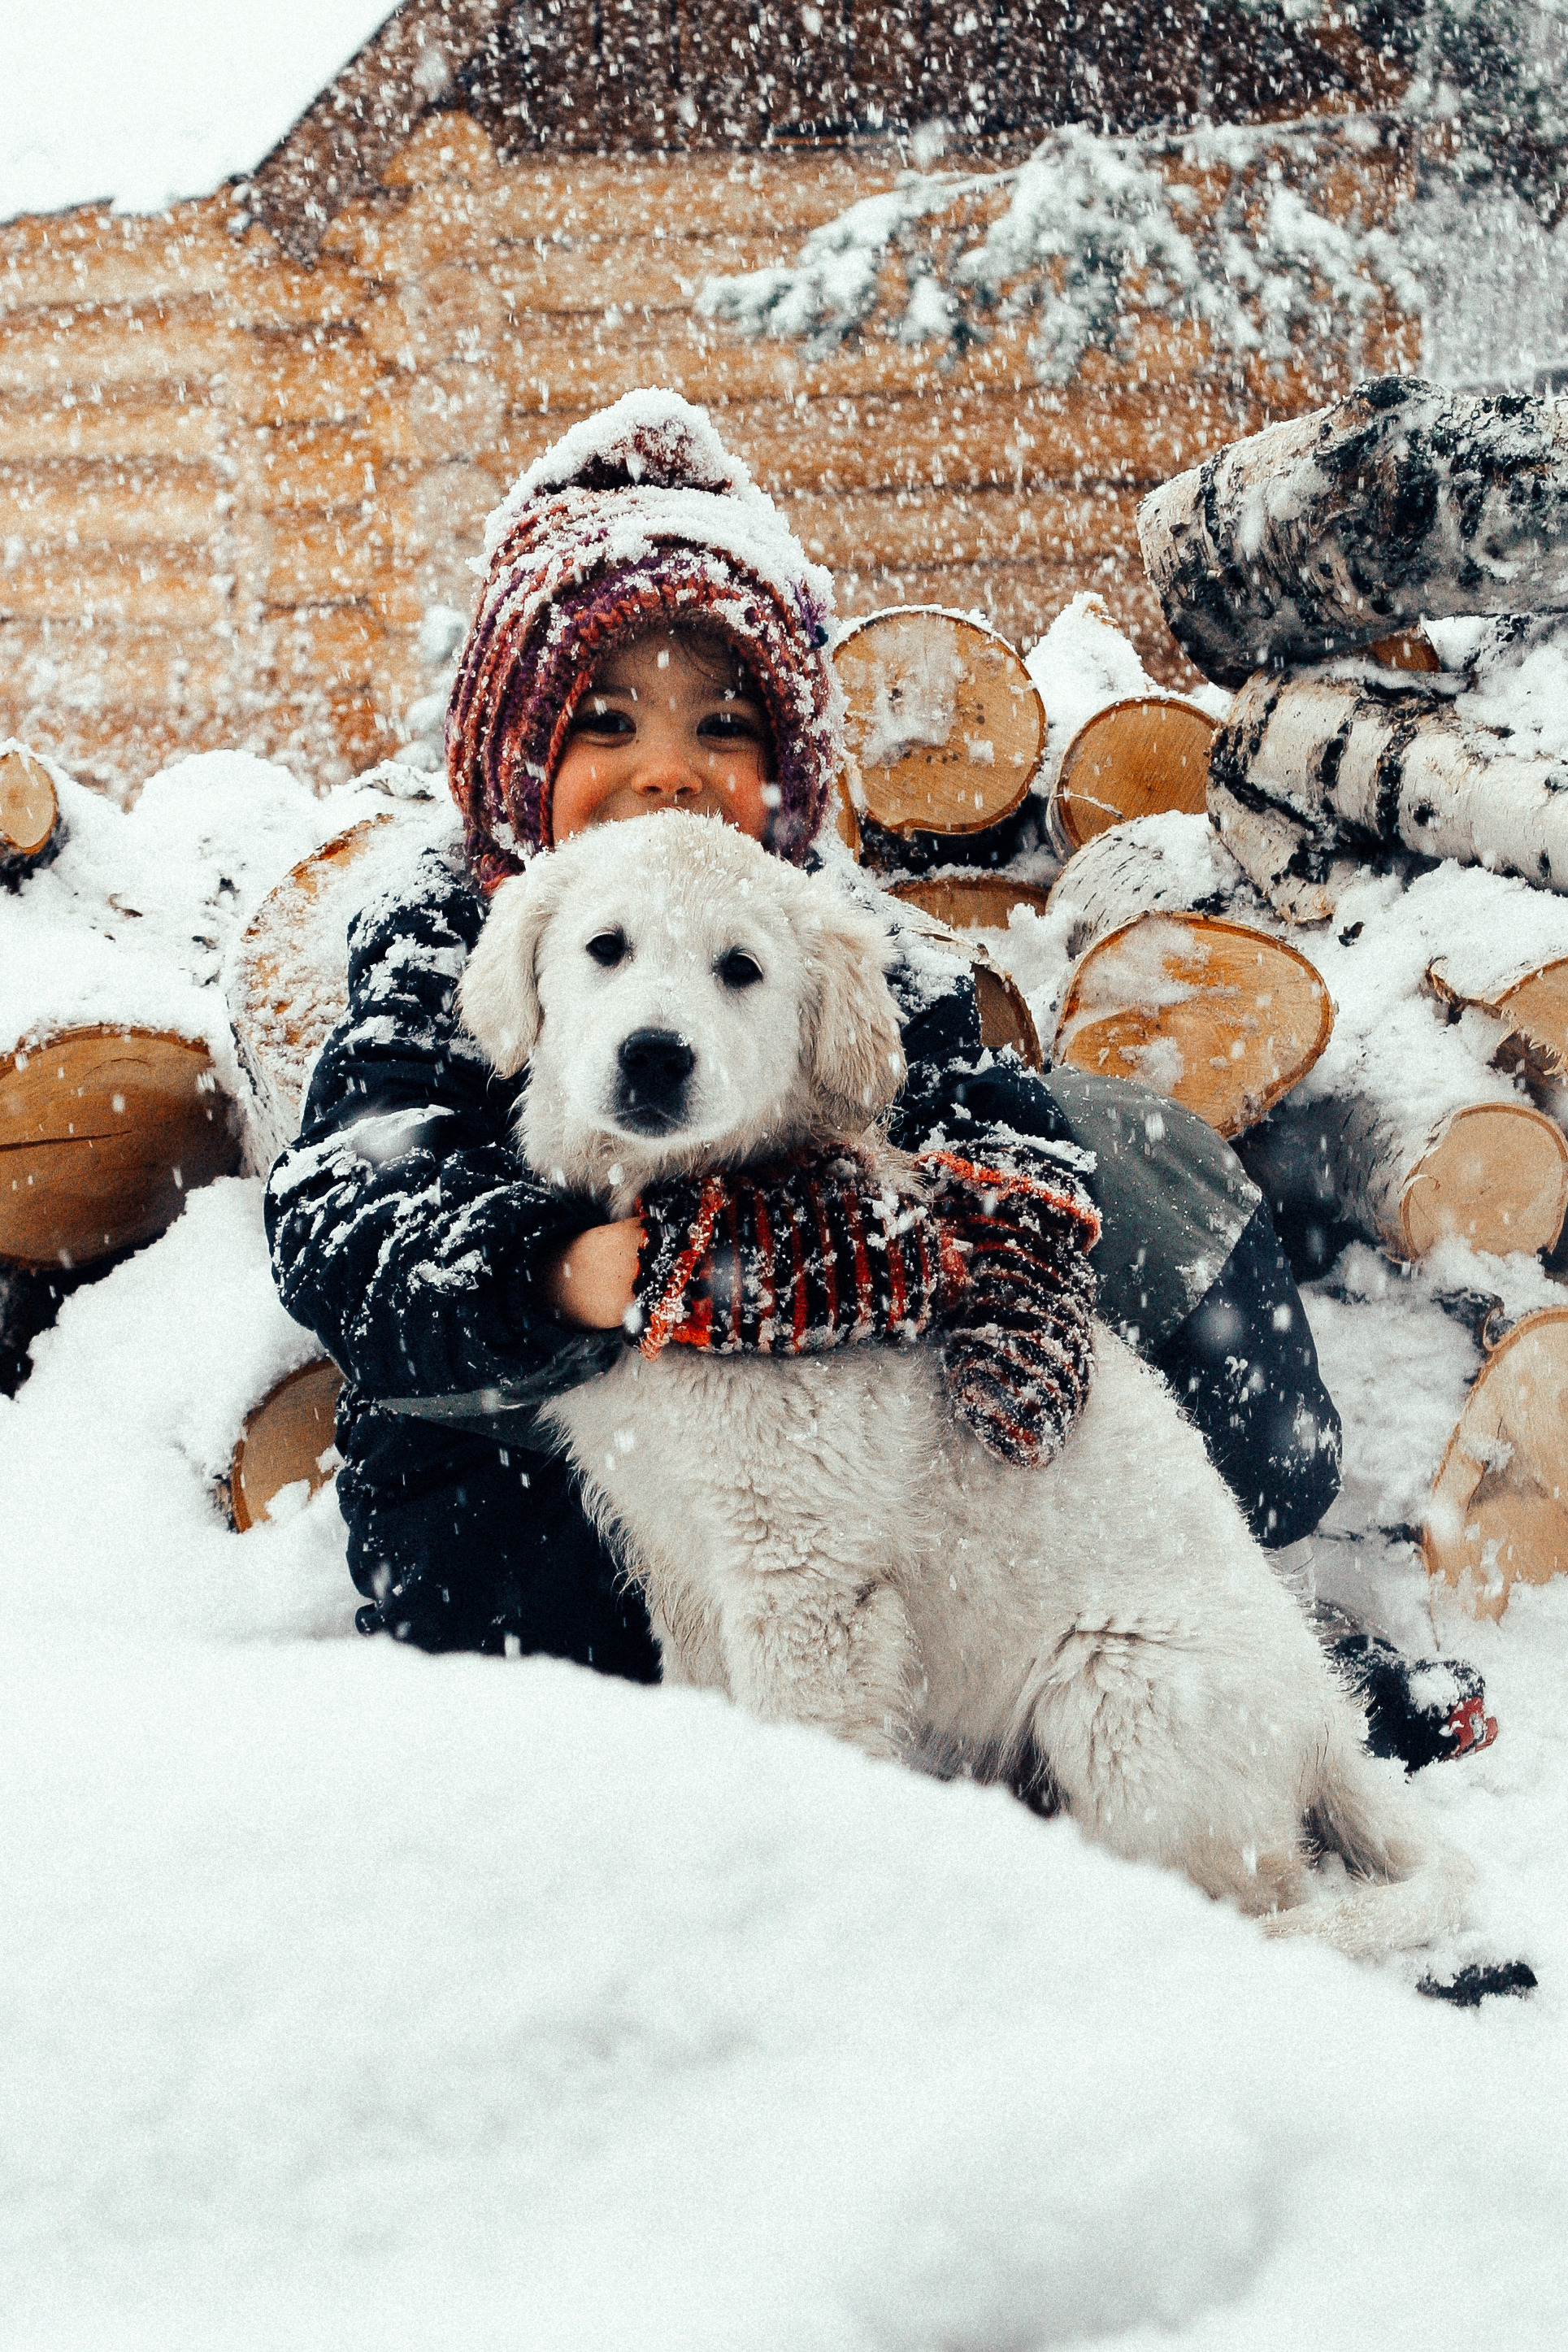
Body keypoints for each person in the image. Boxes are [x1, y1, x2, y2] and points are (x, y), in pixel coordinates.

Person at [265, 389, 1492, 1772]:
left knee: (1112, 1141)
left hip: (838, 1499)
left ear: (786, 759)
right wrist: (581, 1267)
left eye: (722, 727)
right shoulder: (445, 931)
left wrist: (992, 1236)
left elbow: (979, 1104)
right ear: (512, 746)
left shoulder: (840, 931)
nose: (667, 773)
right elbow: (347, 1208)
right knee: (555, 1554)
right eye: (604, 722)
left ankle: (1242, 1678)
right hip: (538, 1482)